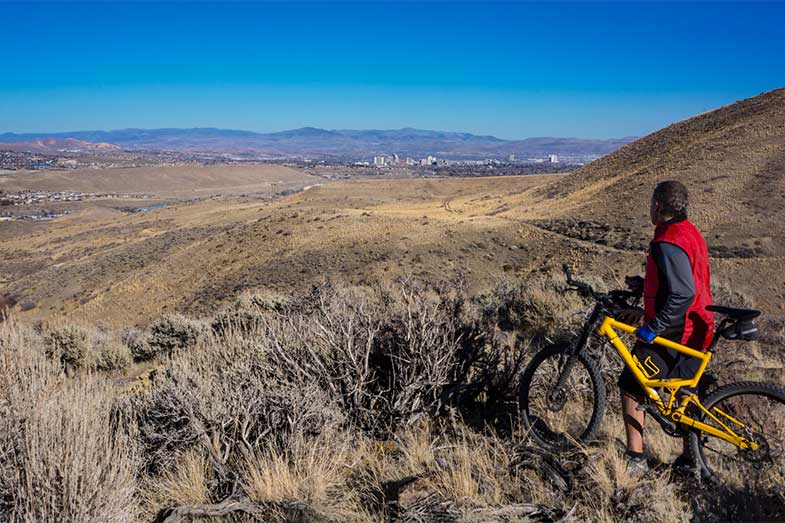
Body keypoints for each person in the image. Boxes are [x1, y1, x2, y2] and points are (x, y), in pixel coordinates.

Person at [618, 180, 714, 476]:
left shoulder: (668, 240)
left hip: (675, 331)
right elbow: (685, 278)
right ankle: (690, 460)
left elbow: (682, 292)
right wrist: (645, 284)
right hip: (699, 324)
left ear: (658, 206)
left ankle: (635, 459)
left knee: (631, 385)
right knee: (686, 392)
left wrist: (654, 328)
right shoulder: (689, 232)